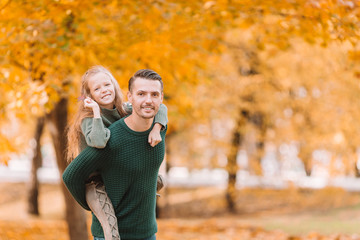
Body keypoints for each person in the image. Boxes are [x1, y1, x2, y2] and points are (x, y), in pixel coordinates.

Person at [63, 69, 167, 240]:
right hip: (95, 184)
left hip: (146, 230)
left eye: (107, 84)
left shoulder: (123, 109)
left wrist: (157, 127)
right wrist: (90, 205)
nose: (104, 90)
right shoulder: (89, 118)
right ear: (89, 96)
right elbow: (99, 141)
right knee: (110, 230)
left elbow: (161, 108)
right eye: (97, 89)